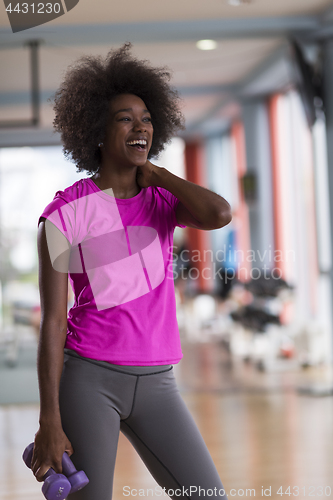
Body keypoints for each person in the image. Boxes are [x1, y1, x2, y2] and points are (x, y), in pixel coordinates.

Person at [31, 43, 232, 500]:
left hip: (159, 381)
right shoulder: (64, 215)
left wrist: (159, 175)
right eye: (125, 118)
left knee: (207, 495)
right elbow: (54, 321)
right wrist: (49, 419)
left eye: (145, 118)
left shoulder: (162, 202)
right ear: (97, 131)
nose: (140, 126)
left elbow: (219, 213)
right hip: (89, 379)